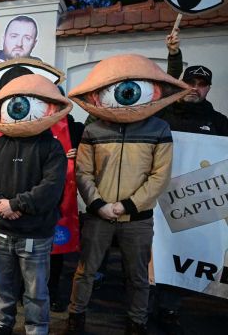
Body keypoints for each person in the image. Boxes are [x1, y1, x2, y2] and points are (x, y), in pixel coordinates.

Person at [63, 54, 181, 335]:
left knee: (138, 276)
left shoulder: (159, 129)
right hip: (98, 216)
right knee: (85, 271)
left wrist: (126, 206)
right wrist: (99, 204)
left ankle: (136, 322)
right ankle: (75, 317)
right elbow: (83, 172)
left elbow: (159, 176)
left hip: (138, 219)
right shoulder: (93, 129)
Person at [0, 74, 69, 335]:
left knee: (36, 290)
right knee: (2, 285)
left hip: (36, 234)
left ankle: (37, 328)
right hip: (0, 231)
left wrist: (16, 204)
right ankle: (2, 322)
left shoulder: (52, 148)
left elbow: (51, 189)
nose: (20, 109)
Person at [150, 31, 228, 335]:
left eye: (201, 84)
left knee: (181, 251)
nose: (195, 89)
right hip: (157, 196)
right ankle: (145, 303)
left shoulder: (221, 122)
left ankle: (170, 307)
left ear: (207, 88)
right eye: (190, 82)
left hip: (194, 200)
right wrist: (173, 54)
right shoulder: (165, 114)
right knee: (154, 251)